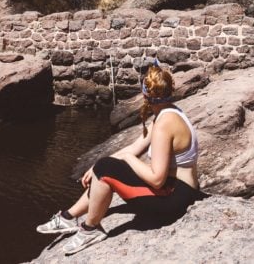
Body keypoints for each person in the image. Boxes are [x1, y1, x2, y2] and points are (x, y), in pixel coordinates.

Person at [36, 62, 204, 254]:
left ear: (145, 95)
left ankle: (91, 229)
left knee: (106, 168)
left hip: (174, 199)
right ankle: (68, 216)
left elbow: (157, 180)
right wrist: (96, 167)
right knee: (104, 167)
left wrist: (125, 159)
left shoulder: (164, 124)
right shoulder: (169, 112)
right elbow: (135, 147)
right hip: (178, 188)